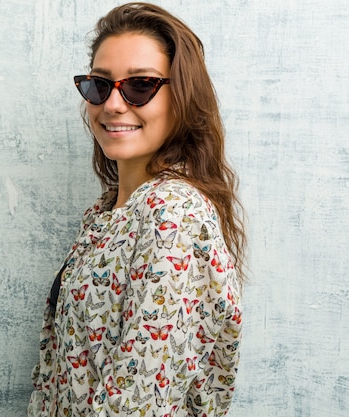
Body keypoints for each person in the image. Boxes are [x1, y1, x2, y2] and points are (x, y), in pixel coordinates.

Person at [27, 3, 246, 416]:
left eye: (141, 85)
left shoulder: (173, 214)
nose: (112, 104)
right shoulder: (107, 213)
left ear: (182, 97)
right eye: (99, 85)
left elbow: (140, 401)